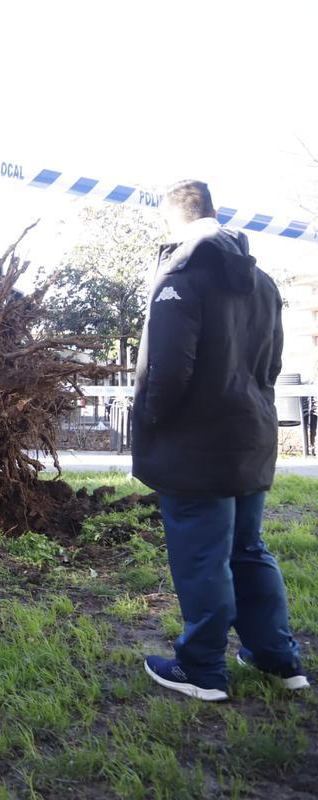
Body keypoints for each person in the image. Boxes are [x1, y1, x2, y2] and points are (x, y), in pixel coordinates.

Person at [133, 180, 309, 701]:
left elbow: (167, 369)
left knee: (201, 553)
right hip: (249, 433)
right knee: (248, 549)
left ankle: (203, 668)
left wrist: (154, 422)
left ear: (172, 218)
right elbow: (272, 364)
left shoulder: (180, 275)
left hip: (195, 444)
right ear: (216, 211)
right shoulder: (263, 282)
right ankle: (278, 657)